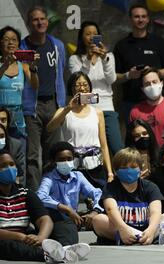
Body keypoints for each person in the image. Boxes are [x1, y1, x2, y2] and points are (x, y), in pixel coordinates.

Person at [0, 150, 90, 262]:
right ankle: (49, 255)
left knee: (64, 222)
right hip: (8, 239)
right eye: (3, 166)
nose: (9, 168)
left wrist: (40, 238)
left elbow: (44, 219)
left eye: (12, 164)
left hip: (27, 238)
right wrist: (20, 237)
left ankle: (65, 248)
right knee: (7, 246)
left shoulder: (25, 193)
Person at [92, 148, 164, 245]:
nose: (129, 170)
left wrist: (151, 230)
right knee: (98, 220)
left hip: (148, 227)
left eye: (133, 167)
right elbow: (110, 209)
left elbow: (155, 212)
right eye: (124, 168)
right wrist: (123, 228)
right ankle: (142, 237)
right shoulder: (110, 187)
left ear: (140, 169)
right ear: (116, 170)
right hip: (119, 227)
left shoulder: (150, 187)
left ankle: (148, 236)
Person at [20, 6, 66, 191]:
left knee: (52, 153)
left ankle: (51, 193)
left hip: (53, 104)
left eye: (42, 19)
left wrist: (60, 104)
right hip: (32, 107)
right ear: (29, 23)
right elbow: (27, 80)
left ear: (47, 21)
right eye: (35, 20)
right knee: (32, 156)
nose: (39, 22)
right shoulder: (23, 48)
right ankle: (34, 196)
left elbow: (60, 72)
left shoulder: (58, 45)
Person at [47, 71, 113, 188]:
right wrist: (68, 108)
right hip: (71, 166)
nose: (82, 88)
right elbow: (50, 128)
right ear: (71, 89)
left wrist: (109, 172)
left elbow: (104, 145)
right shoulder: (64, 111)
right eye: (77, 85)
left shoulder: (97, 112)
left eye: (85, 84)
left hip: (94, 165)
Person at [69, 21, 123, 155]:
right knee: (92, 148)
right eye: (88, 34)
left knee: (117, 147)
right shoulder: (75, 59)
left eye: (95, 34)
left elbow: (111, 79)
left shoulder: (109, 56)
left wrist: (104, 59)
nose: (92, 37)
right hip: (85, 107)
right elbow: (79, 81)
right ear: (81, 37)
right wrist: (87, 59)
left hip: (106, 106)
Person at [113, 4, 164, 121]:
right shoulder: (121, 45)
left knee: (162, 137)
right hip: (131, 102)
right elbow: (114, 77)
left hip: (158, 100)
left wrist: (153, 72)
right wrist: (128, 75)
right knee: (135, 137)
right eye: (136, 17)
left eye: (143, 16)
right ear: (130, 19)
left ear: (148, 19)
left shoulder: (159, 42)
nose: (140, 19)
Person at [37, 142, 103, 236]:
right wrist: (66, 209)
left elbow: (97, 193)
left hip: (73, 219)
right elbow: (40, 197)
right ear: (54, 161)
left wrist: (95, 211)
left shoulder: (78, 176)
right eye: (61, 160)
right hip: (56, 218)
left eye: (69, 159)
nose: (66, 162)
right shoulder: (49, 178)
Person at [0, 26, 39, 142]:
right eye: (6, 39)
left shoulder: (24, 66)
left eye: (14, 39)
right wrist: (5, 65)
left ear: (18, 43)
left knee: (20, 151)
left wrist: (33, 68)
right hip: (1, 116)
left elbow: (35, 85)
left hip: (18, 118)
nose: (10, 42)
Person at [129, 68, 164, 146]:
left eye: (154, 82)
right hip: (146, 156)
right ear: (142, 89)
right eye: (147, 84)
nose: (152, 86)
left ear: (162, 83)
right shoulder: (135, 111)